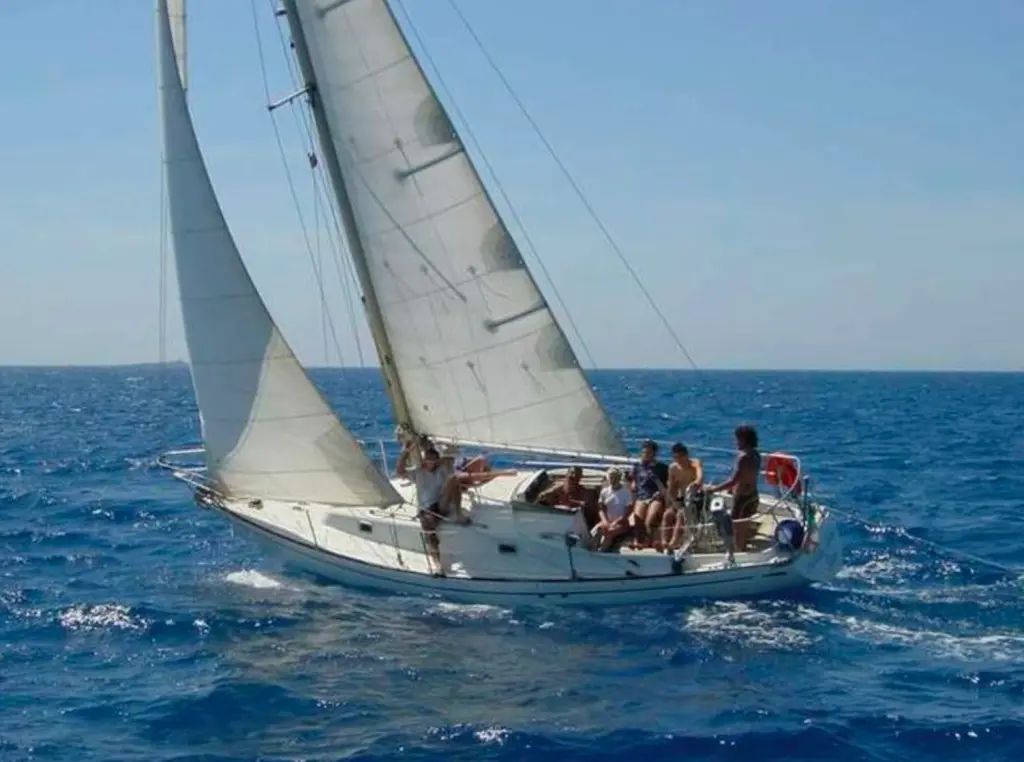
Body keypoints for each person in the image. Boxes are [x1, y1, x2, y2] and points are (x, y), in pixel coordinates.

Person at [396, 441, 467, 576]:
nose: (429, 462)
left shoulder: (443, 470)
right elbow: (400, 471)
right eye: (427, 460)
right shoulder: (418, 472)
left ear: (437, 461)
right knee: (429, 529)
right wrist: (405, 453)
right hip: (426, 509)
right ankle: (438, 565)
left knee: (453, 479)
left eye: (432, 460)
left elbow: (450, 460)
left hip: (440, 504)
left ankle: (459, 514)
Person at [704, 425, 761, 553]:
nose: (736, 442)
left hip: (743, 499)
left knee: (737, 529)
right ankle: (742, 546)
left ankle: (739, 553)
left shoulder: (743, 457)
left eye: (738, 439)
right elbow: (747, 477)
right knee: (744, 525)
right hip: (753, 495)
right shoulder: (756, 454)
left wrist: (713, 489)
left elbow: (733, 480)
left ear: (743, 439)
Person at [662, 442, 704, 550]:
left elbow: (699, 476)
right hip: (681, 498)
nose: (678, 460)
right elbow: (672, 488)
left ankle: (673, 543)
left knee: (681, 514)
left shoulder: (695, 463)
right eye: (675, 457)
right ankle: (664, 542)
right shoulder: (673, 468)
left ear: (686, 455)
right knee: (667, 514)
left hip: (695, 498)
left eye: (680, 457)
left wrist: (696, 482)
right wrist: (670, 503)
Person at [629, 439, 670, 548]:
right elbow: (632, 480)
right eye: (643, 452)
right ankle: (637, 540)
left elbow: (669, 485)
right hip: (641, 496)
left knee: (650, 518)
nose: (645, 455)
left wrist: (661, 493)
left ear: (654, 454)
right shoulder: (637, 466)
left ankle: (648, 540)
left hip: (656, 497)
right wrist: (633, 485)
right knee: (638, 517)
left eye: (648, 453)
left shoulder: (662, 468)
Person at [595, 467, 633, 551]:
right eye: (611, 477)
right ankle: (593, 549)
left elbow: (628, 512)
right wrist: (605, 521)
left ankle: (602, 550)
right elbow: (601, 509)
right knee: (597, 530)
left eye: (615, 477)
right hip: (607, 521)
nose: (613, 479)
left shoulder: (626, 492)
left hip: (621, 523)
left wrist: (615, 522)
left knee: (610, 531)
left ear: (619, 478)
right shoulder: (604, 491)